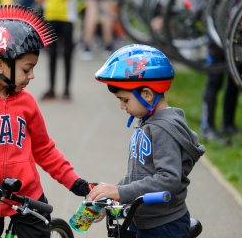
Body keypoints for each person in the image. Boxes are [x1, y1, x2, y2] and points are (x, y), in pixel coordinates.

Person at [0, 5, 90, 237]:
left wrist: (75, 183)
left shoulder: (26, 103)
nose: (31, 76)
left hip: (26, 198)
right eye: (26, 69)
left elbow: (44, 149)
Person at [88, 44, 205, 238]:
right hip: (141, 218)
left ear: (147, 95)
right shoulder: (147, 123)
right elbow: (141, 174)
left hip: (163, 226)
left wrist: (120, 191)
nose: (121, 106)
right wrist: (112, 195)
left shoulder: (163, 129)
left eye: (125, 100)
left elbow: (168, 179)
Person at [37, 0, 77, 100]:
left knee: (67, 54)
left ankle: (67, 90)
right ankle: (51, 89)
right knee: (51, 54)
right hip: (50, 16)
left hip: (67, 17)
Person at [201, 42, 240, 144]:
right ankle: (208, 128)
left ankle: (228, 125)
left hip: (235, 39)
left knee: (235, 79)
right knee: (214, 81)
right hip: (217, 38)